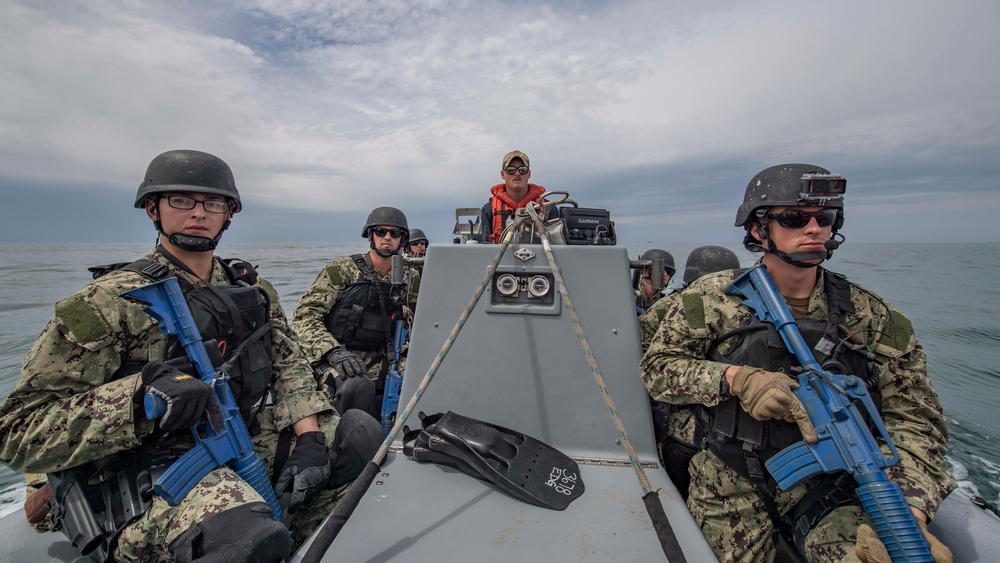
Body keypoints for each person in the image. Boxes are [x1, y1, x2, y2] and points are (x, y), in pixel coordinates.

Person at [0, 150, 383, 562]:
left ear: (228, 215)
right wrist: (138, 397)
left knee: (360, 443)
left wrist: (308, 439)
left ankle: (296, 534)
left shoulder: (252, 290)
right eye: (182, 201)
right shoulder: (107, 303)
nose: (198, 213)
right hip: (148, 466)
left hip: (234, 434)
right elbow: (17, 431)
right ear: (153, 208)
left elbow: (288, 364)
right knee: (244, 538)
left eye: (213, 203)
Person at [639, 164, 956, 562]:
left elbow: (916, 419)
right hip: (730, 482)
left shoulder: (872, 317)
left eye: (824, 219)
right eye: (793, 218)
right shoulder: (709, 300)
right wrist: (737, 378)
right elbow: (658, 368)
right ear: (758, 230)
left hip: (836, 487)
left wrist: (909, 510)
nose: (813, 229)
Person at [293, 207, 419, 419]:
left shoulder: (410, 277)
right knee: (356, 388)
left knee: (426, 380)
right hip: (341, 354)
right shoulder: (342, 270)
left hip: (387, 355)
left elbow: (421, 319)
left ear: (402, 240)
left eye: (395, 233)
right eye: (381, 232)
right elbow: (305, 317)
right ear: (371, 235)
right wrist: (332, 352)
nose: (387, 237)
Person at [638, 245, 741, 501]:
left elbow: (639, 348)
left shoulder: (668, 306)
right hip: (713, 429)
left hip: (683, 428)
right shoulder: (743, 310)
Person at [478, 150, 556, 243]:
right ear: (503, 174)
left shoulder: (548, 208)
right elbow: (477, 250)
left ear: (529, 174)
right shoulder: (488, 210)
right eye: (511, 170)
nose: (517, 173)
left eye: (522, 170)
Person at [633, 248, 675, 314]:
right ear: (644, 272)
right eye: (660, 269)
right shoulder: (629, 295)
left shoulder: (668, 303)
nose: (665, 274)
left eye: (669, 272)